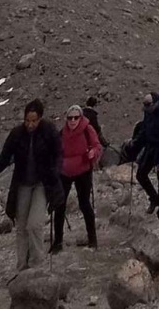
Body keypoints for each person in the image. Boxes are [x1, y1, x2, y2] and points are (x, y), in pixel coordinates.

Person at [0, 98, 65, 271]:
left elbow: (59, 154)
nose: (30, 124)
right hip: (22, 183)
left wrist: (56, 171)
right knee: (21, 226)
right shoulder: (16, 134)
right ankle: (22, 266)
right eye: (27, 121)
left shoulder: (49, 131)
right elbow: (6, 156)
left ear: (40, 119)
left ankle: (37, 264)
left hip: (42, 183)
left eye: (33, 121)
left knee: (35, 224)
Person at [51, 104, 102, 252]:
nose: (73, 120)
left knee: (84, 204)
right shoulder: (62, 133)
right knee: (60, 205)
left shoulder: (87, 129)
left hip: (83, 171)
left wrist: (93, 152)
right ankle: (58, 242)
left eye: (76, 117)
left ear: (81, 117)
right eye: (70, 118)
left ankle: (92, 239)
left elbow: (97, 145)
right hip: (65, 172)